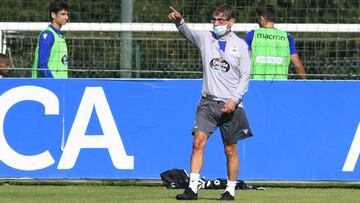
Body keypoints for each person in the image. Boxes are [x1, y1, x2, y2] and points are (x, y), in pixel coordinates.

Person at [168, 4, 253, 201]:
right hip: (207, 102)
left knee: (230, 149)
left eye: (221, 20)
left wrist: (234, 100)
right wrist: (179, 21)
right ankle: (192, 189)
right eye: (214, 19)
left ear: (231, 22)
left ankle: (230, 190)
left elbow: (245, 78)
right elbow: (188, 33)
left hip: (230, 106)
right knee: (198, 142)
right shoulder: (206, 38)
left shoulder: (240, 46)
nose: (216, 23)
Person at [245, 4, 306, 80]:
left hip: (258, 85)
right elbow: (297, 65)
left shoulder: (252, 35)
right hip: (280, 85)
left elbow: (245, 61)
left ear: (262, 18)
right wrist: (306, 81)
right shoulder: (287, 37)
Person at [32, 1, 69, 78]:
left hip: (60, 85)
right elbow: (42, 64)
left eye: (67, 14)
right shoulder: (48, 34)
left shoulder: (59, 36)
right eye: (63, 14)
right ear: (53, 15)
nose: (66, 17)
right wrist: (52, 82)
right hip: (47, 86)